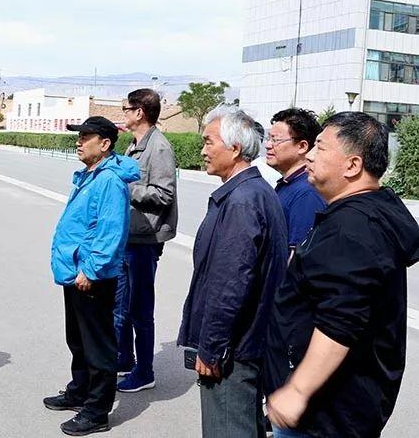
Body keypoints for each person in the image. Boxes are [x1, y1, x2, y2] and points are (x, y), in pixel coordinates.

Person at [265, 112, 419, 438]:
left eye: (320, 148)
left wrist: (298, 390)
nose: (308, 155)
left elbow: (340, 321)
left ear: (352, 166)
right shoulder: (365, 212)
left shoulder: (352, 229)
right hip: (336, 409)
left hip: (326, 416)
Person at [177, 106, 288, 438]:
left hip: (233, 353)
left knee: (228, 427)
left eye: (209, 142)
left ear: (235, 148)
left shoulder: (242, 201)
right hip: (246, 345)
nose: (202, 150)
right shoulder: (250, 193)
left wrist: (211, 347)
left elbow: (229, 285)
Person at [43, 116, 140, 436]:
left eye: (86, 137)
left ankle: (97, 410)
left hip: (91, 275)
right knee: (78, 338)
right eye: (79, 136)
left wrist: (92, 270)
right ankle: (80, 390)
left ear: (105, 144)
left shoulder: (109, 179)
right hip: (76, 270)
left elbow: (110, 231)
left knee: (98, 344)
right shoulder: (91, 175)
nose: (79, 142)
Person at [114, 89, 178, 393]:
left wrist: (128, 191)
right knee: (121, 306)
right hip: (129, 237)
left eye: (126, 109)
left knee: (140, 309)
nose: (123, 114)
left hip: (145, 240)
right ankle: (124, 359)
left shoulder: (159, 148)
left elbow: (164, 195)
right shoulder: (135, 145)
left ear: (139, 112)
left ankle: (145, 371)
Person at [264, 109, 325, 256]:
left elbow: (298, 255)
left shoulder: (306, 193)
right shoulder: (288, 184)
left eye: (275, 140)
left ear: (302, 146)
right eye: (268, 138)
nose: (267, 145)